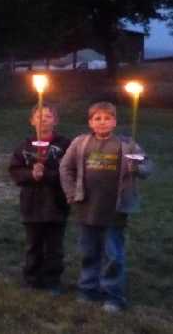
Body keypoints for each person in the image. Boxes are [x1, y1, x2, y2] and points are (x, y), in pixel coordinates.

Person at [60, 101, 153, 313]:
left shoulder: (127, 145)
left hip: (116, 208)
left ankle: (113, 295)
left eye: (107, 118)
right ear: (90, 123)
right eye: (97, 118)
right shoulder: (80, 143)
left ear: (115, 122)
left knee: (113, 253)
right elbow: (66, 168)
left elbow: (148, 168)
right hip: (87, 206)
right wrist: (71, 193)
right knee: (89, 251)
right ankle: (87, 289)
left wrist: (137, 167)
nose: (102, 122)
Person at [8, 104, 71, 293]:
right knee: (33, 244)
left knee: (54, 246)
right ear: (32, 121)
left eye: (48, 116)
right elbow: (15, 170)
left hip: (56, 203)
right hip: (32, 203)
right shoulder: (24, 146)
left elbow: (69, 171)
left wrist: (47, 175)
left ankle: (53, 280)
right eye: (39, 116)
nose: (43, 119)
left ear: (56, 121)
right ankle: (32, 278)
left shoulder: (65, 145)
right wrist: (31, 175)